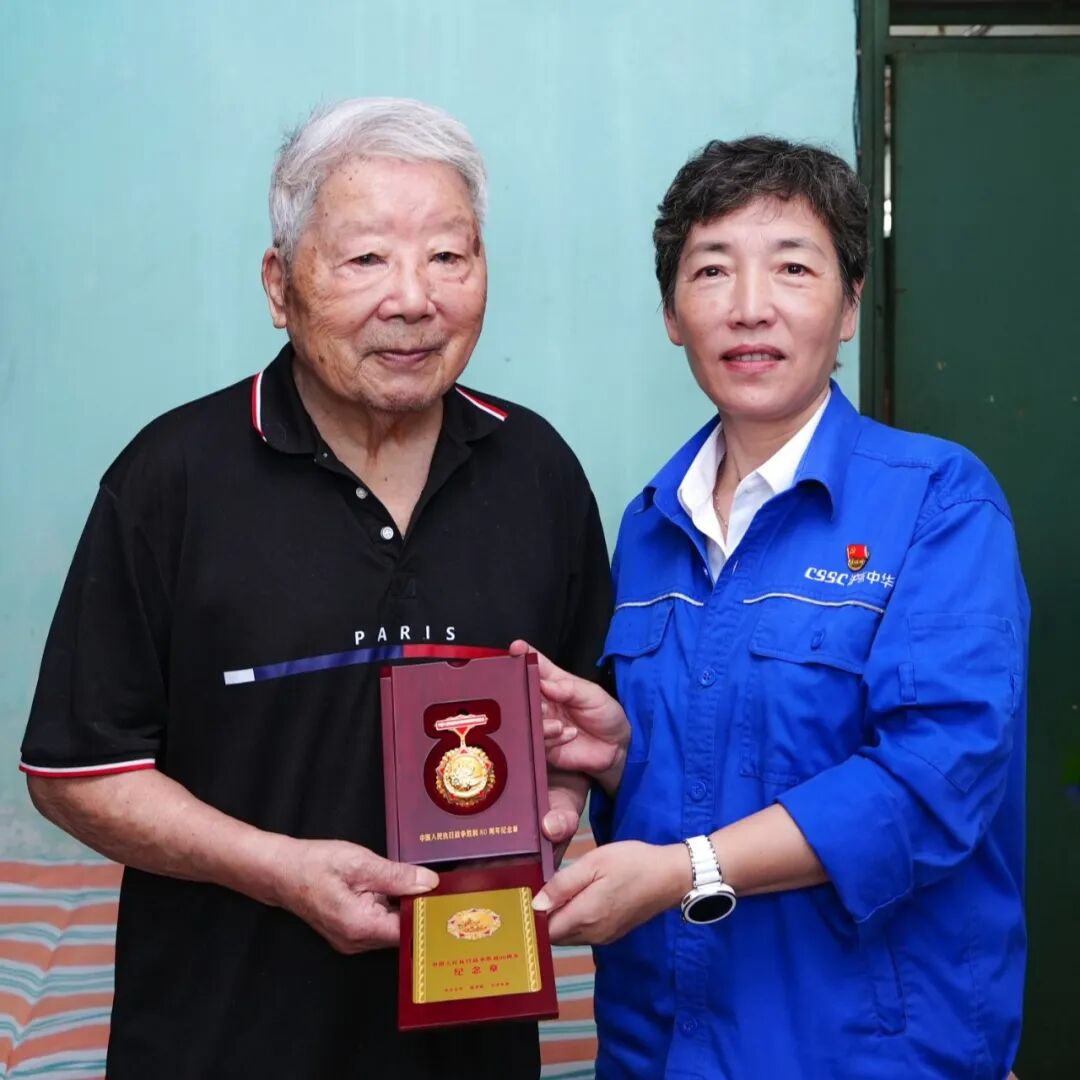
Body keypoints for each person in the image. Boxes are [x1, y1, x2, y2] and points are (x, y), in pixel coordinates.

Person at [19, 98, 612, 1079]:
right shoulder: (172, 479)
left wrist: (566, 792)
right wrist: (281, 871)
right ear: (278, 284)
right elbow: (76, 773)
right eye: (366, 258)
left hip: (471, 1036)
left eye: (448, 256)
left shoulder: (536, 469)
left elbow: (583, 718)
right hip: (220, 1039)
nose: (413, 298)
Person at [517, 136, 1028, 1079]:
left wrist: (687, 871)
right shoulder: (649, 524)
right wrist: (621, 756)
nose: (750, 306)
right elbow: (715, 764)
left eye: (793, 267)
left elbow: (936, 779)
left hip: (870, 1049)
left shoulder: (939, 501)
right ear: (672, 313)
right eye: (712, 269)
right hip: (662, 1041)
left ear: (850, 305)